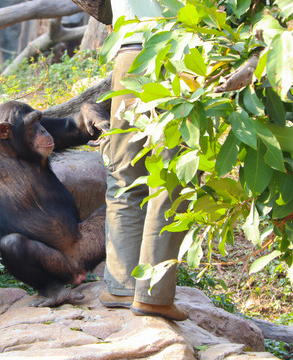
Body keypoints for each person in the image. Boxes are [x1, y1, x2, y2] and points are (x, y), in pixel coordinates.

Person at [97, 0, 189, 321]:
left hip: (130, 52)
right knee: (171, 176)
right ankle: (153, 295)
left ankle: (121, 286)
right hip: (180, 50)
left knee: (124, 171)